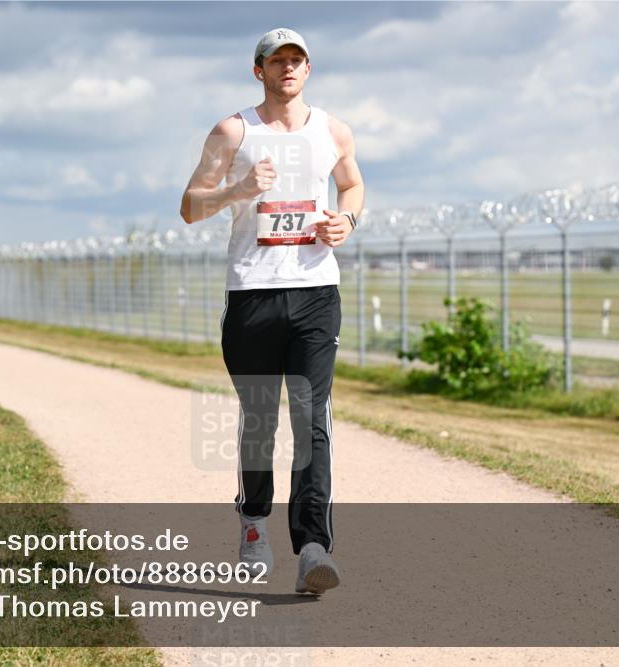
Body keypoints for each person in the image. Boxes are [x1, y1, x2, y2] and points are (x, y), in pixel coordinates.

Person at [180, 28, 363, 595]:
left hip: (315, 293)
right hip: (252, 295)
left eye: (297, 60)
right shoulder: (234, 130)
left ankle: (313, 548)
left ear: (308, 70)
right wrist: (236, 189)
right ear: (257, 70)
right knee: (260, 420)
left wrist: (346, 220)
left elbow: (352, 186)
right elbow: (189, 206)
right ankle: (254, 526)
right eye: (277, 60)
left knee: (312, 422)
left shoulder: (333, 130)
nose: (288, 68)